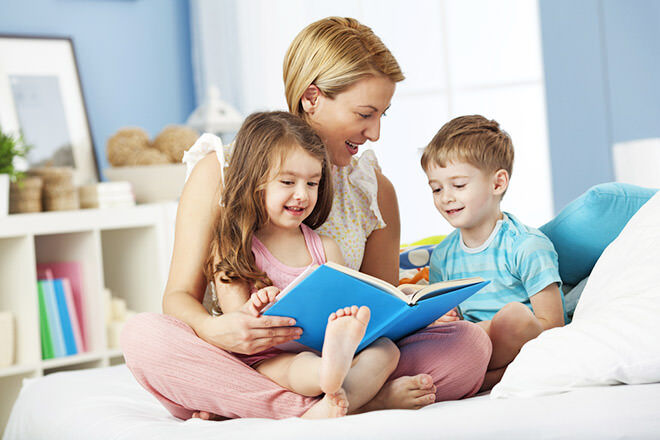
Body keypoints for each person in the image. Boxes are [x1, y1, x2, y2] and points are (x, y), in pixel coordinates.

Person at [121, 17, 491, 420]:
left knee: (469, 345)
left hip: (346, 358)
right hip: (246, 357)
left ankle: (266, 403)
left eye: (383, 115)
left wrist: (414, 311)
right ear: (312, 97)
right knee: (145, 338)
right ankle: (320, 407)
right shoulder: (220, 172)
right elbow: (178, 297)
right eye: (365, 113)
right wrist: (217, 330)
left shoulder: (374, 190)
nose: (375, 133)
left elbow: (382, 312)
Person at [207, 110, 400, 418]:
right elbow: (237, 322)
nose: (302, 194)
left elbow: (348, 303)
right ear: (254, 180)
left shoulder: (326, 249)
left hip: (324, 347)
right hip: (270, 357)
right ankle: (331, 380)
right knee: (301, 368)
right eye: (288, 181)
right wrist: (256, 306)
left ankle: (338, 398)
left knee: (387, 351)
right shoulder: (234, 247)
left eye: (312, 183)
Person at [421, 115, 565, 391]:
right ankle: (479, 377)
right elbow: (450, 321)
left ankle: (488, 379)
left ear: (498, 183)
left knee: (513, 316)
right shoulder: (442, 256)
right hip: (472, 348)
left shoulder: (526, 245)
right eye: (436, 188)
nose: (445, 197)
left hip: (516, 342)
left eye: (459, 185)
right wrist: (444, 318)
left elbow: (553, 325)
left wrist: (486, 330)